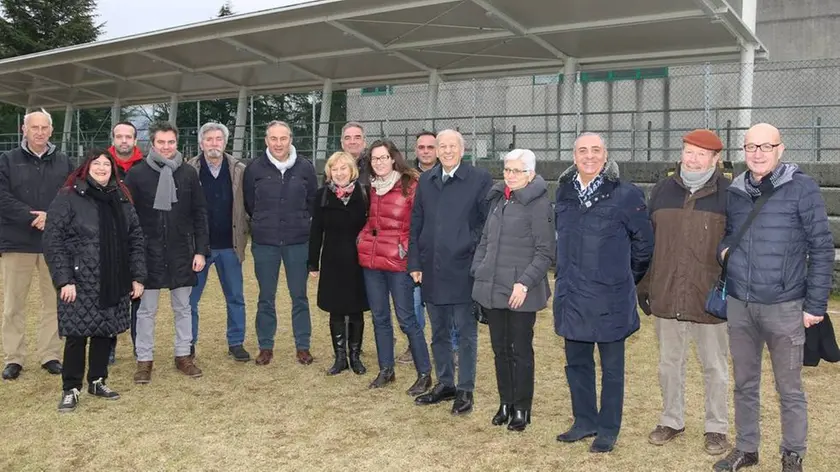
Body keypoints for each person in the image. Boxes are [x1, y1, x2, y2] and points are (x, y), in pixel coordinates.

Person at [713, 123, 834, 472]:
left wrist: (815, 305)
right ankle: (747, 449)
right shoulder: (736, 190)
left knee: (789, 388)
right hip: (740, 304)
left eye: (766, 146)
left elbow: (822, 247)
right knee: (744, 383)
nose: (758, 153)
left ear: (781, 149)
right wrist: (724, 253)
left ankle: (792, 453)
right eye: (751, 146)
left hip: (784, 305)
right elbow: (729, 235)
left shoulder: (802, 188)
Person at [553, 132, 653, 453]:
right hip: (572, 295)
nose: (590, 156)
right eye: (583, 150)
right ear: (574, 155)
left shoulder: (625, 194)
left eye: (596, 150)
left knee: (612, 370)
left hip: (610, 298)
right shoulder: (565, 192)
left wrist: (623, 277)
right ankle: (584, 420)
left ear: (606, 154)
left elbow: (644, 246)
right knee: (577, 364)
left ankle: (608, 428)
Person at [636, 129, 731, 455]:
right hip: (667, 292)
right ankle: (671, 419)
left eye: (701, 154)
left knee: (714, 367)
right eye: (688, 152)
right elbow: (648, 243)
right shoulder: (663, 190)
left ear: (715, 159)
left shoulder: (728, 194)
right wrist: (644, 283)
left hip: (709, 299)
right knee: (668, 364)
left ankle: (716, 428)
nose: (692, 159)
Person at [43, 149, 146, 412]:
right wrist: (64, 279)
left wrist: (137, 276)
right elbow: (53, 241)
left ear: (113, 169)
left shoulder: (121, 198)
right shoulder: (68, 197)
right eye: (96, 163)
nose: (102, 168)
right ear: (86, 167)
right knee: (77, 334)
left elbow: (135, 239)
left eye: (106, 164)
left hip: (113, 276)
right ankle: (71, 387)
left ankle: (97, 380)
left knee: (104, 329)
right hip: (79, 279)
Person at [409, 129, 493, 416]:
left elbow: (487, 222)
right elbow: (416, 222)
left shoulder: (478, 179)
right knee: (439, 332)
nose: (446, 151)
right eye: (440, 146)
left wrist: (466, 243)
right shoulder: (426, 181)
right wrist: (415, 263)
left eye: (451, 146)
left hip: (463, 269)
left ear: (462, 149)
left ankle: (465, 388)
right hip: (432, 269)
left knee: (466, 334)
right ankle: (446, 383)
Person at [471, 149, 555, 432]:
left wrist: (525, 283)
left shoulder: (538, 204)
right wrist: (479, 270)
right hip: (494, 287)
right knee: (499, 349)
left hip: (522, 290)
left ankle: (522, 407)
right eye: (507, 169)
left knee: (520, 350)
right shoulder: (498, 199)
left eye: (516, 170)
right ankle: (505, 402)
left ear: (530, 174)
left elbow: (545, 252)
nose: (510, 175)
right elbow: (485, 240)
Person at [124, 121, 209, 383]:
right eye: (161, 142)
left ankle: (184, 355)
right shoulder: (137, 175)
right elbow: (128, 217)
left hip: (181, 251)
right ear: (152, 144)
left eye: (171, 142)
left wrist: (200, 251)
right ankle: (144, 360)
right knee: (145, 310)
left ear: (177, 143)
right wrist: (132, 255)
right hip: (147, 253)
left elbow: (199, 213)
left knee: (183, 307)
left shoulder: (188, 173)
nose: (166, 147)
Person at [0, 109, 73, 380]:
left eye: (44, 127)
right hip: (17, 241)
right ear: (24, 129)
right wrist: (32, 216)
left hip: (53, 243)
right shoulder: (7, 161)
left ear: (51, 131)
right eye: (34, 128)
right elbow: (2, 197)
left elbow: (71, 196)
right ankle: (14, 357)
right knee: (13, 305)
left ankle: (50, 354)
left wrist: (51, 217)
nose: (39, 132)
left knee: (53, 302)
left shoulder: (64, 162)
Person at [357, 140, 433, 395]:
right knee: (379, 318)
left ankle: (424, 373)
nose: (378, 162)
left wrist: (413, 257)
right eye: (374, 159)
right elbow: (369, 221)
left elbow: (419, 226)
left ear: (393, 159)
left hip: (399, 262)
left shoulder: (410, 185)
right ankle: (386, 369)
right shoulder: (371, 187)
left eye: (383, 157)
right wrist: (363, 239)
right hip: (372, 261)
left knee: (407, 319)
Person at [243, 120, 317, 366]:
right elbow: (249, 204)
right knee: (266, 296)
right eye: (273, 139)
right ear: (266, 141)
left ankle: (303, 346)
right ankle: (266, 346)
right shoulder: (254, 168)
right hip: (266, 243)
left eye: (283, 138)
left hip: (297, 242)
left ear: (290, 139)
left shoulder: (305, 167)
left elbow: (312, 202)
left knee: (300, 296)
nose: (278, 143)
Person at [186, 122, 250, 363]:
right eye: (209, 139)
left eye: (218, 139)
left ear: (225, 143)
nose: (214, 144)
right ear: (201, 143)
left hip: (229, 245)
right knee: (190, 299)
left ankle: (236, 342)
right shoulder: (188, 169)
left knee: (235, 296)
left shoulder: (239, 170)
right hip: (198, 249)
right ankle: (187, 343)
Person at [400, 130, 460, 367]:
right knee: (414, 303)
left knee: (448, 303)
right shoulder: (405, 177)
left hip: (445, 252)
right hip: (417, 249)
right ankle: (415, 345)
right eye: (421, 147)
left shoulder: (451, 176)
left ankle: (453, 347)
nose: (426, 151)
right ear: (416, 150)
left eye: (430, 147)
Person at [308, 152, 369, 376]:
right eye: (335, 169)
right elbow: (316, 231)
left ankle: (355, 355)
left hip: (358, 260)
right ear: (329, 172)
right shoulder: (322, 195)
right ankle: (340, 357)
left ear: (352, 170)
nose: (340, 173)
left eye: (344, 168)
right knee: (335, 308)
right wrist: (312, 263)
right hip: (332, 260)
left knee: (355, 309)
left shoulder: (364, 194)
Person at [108, 120, 144, 364]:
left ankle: (139, 345)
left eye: (128, 136)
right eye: (119, 136)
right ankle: (107, 346)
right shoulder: (99, 164)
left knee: (137, 296)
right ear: (113, 139)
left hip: (137, 240)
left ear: (135, 140)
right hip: (108, 240)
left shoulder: (145, 166)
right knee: (110, 295)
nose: (123, 141)